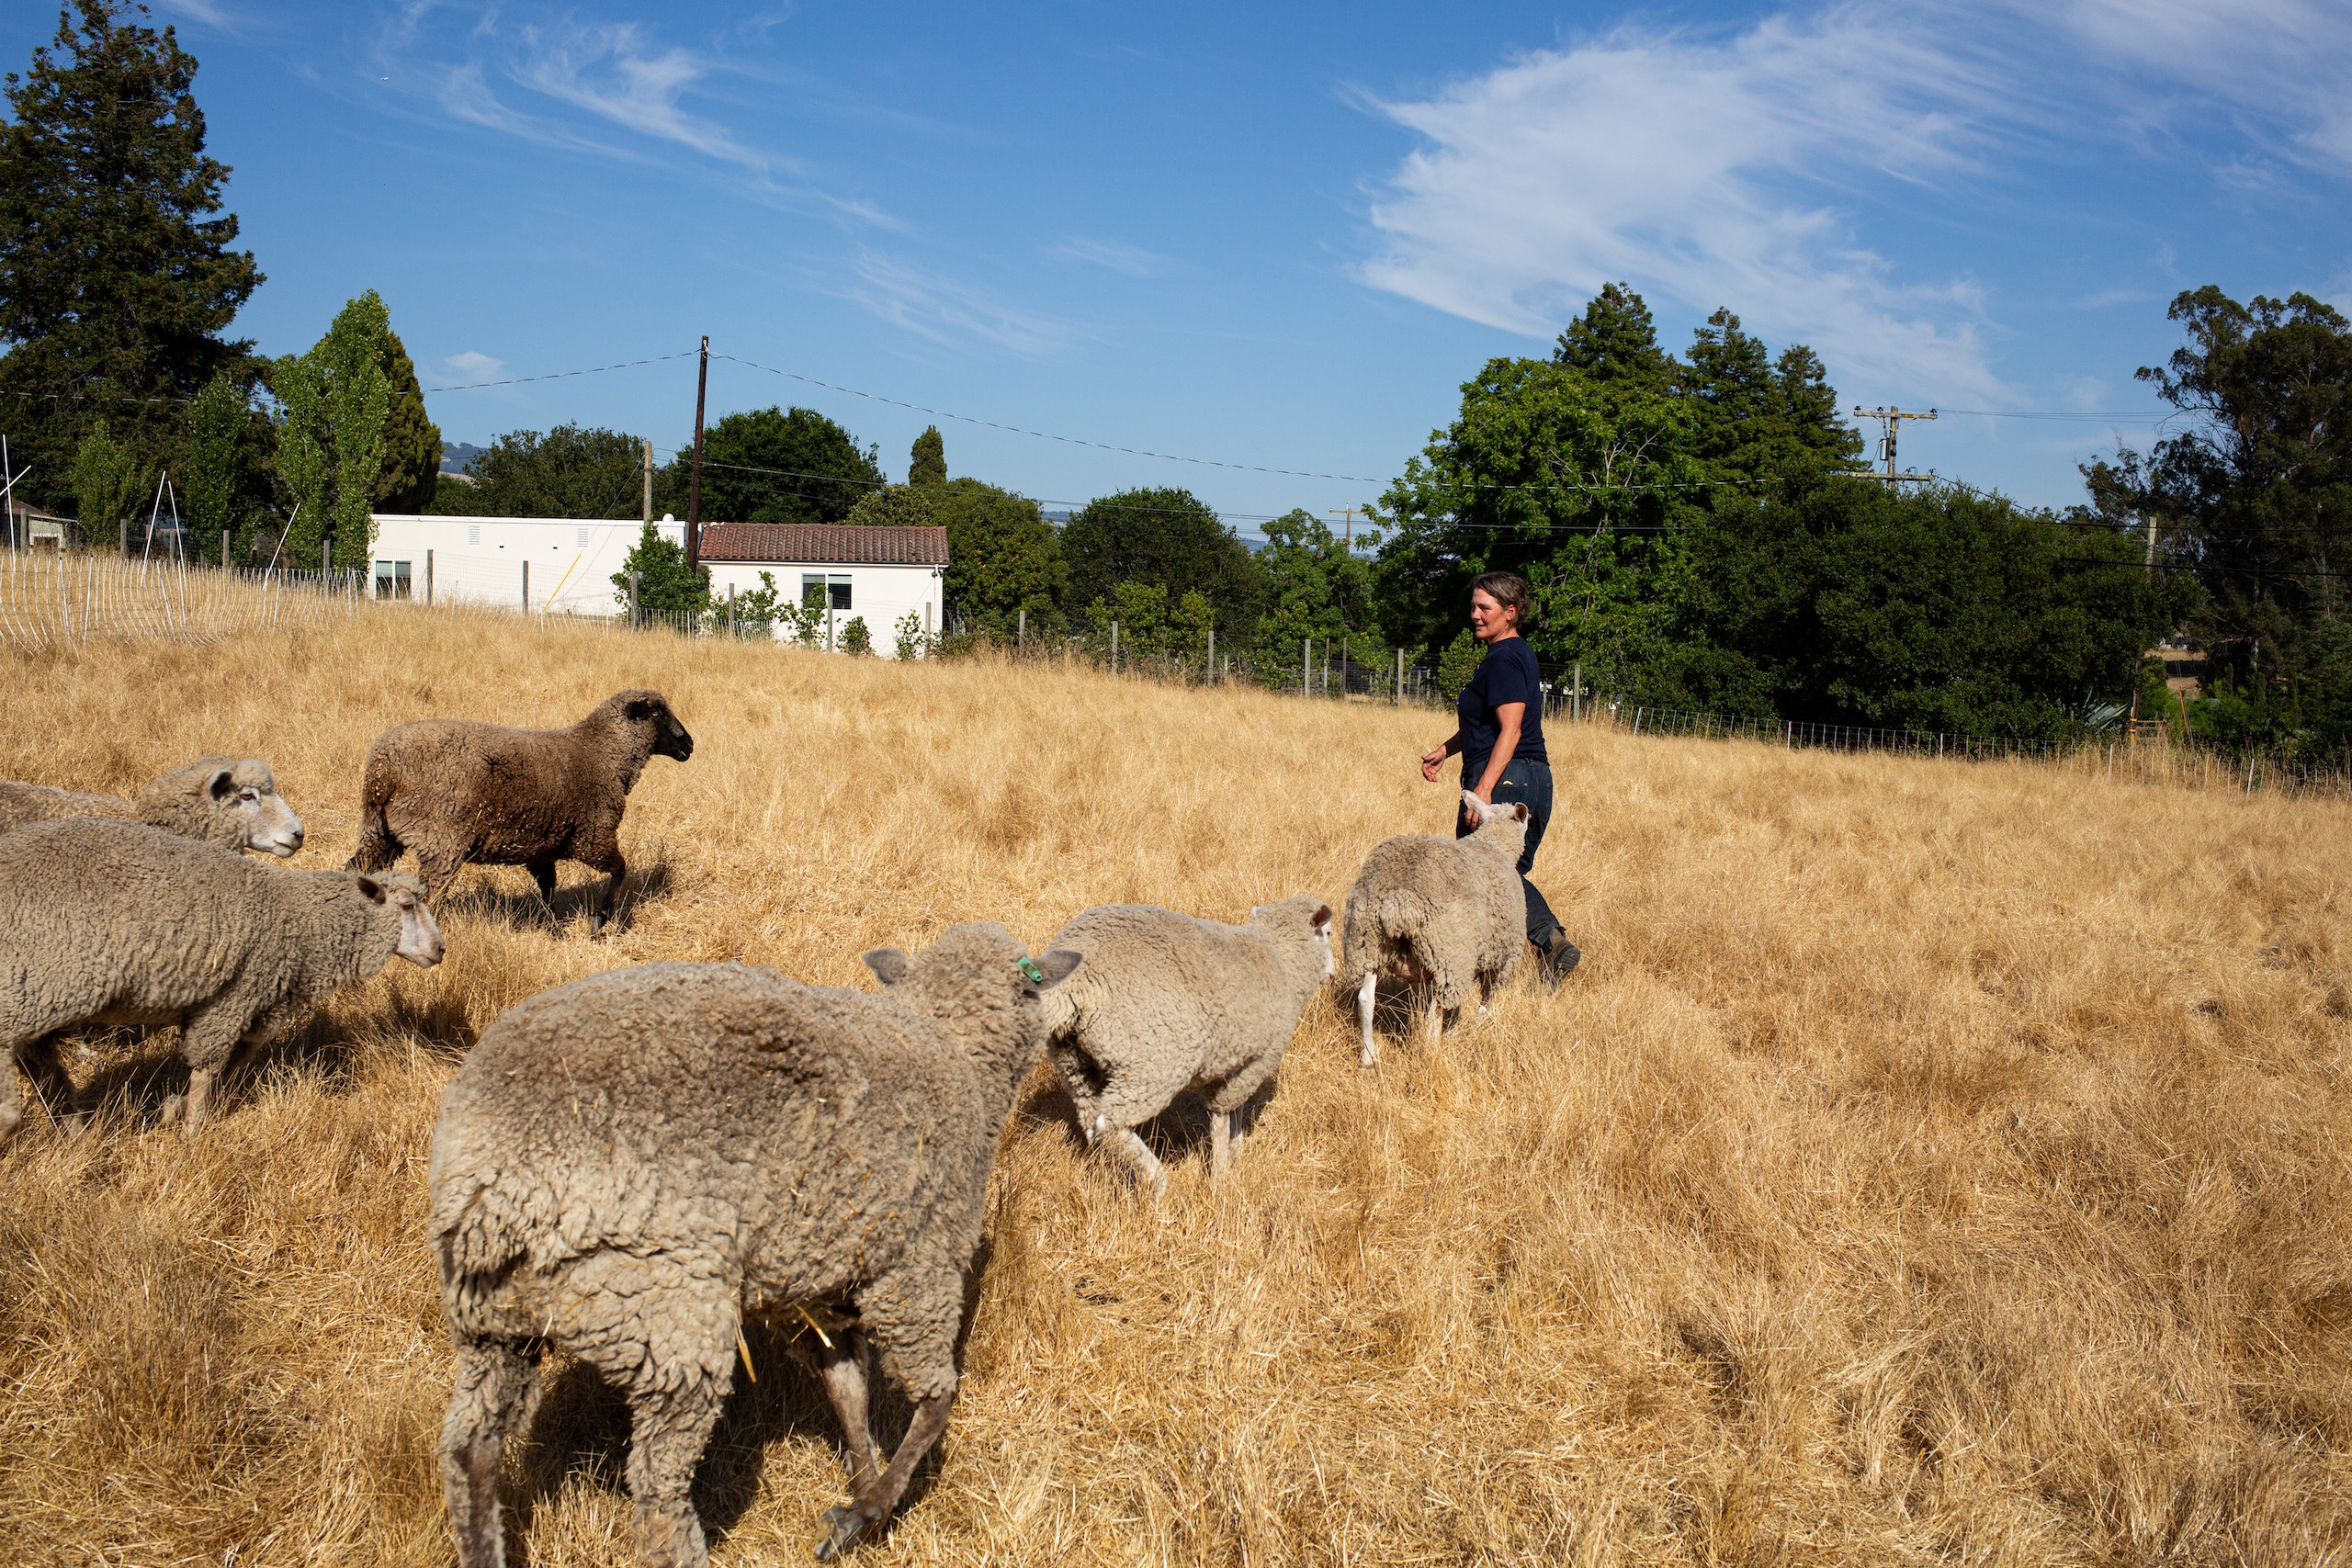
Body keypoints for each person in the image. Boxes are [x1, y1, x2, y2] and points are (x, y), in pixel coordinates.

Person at [1418, 570, 1581, 983]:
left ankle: (1478, 966)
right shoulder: (1513, 654)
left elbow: (1510, 729)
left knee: (1477, 873)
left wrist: (1484, 790)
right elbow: (1488, 725)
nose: (1474, 614)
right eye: (1473, 606)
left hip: (1506, 779)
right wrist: (1445, 750)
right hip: (1534, 779)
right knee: (1503, 875)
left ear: (1511, 612)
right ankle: (1548, 946)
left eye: (1484, 607)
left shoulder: (1505, 657)